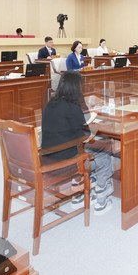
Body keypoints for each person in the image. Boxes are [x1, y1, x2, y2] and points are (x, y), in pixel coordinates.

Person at [40, 71, 115, 214]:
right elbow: (85, 136)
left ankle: (79, 194)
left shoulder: (50, 104)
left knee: (94, 147)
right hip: (68, 163)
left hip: (48, 158)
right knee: (104, 151)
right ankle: (101, 195)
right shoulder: (72, 108)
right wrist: (101, 130)